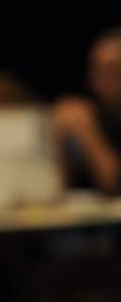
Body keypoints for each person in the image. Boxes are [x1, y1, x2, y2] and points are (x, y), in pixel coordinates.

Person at [54, 27, 121, 194]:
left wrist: (88, 133)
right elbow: (56, 189)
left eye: (113, 71)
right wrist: (56, 141)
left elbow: (116, 185)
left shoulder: (88, 123)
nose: (101, 81)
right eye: (96, 71)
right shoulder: (98, 115)